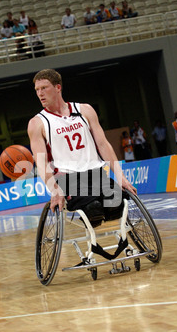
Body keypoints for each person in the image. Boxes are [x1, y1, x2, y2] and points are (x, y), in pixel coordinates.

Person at [27, 69, 137, 230]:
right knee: (93, 210)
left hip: (97, 173)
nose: (40, 93)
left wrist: (121, 176)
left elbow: (103, 144)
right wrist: (54, 189)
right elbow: (41, 162)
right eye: (37, 90)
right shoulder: (37, 123)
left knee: (117, 205)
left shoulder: (84, 110)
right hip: (68, 179)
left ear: (58, 87)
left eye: (44, 88)